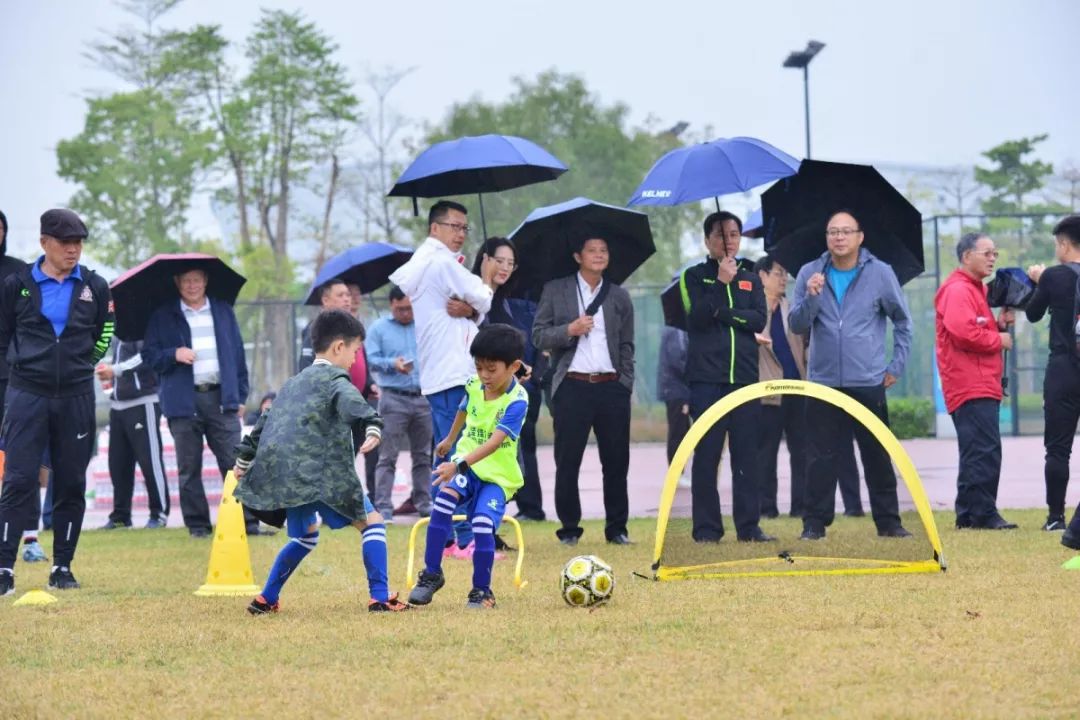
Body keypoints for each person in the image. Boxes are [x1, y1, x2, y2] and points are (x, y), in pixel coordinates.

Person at [233, 309, 408, 613]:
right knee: (373, 523)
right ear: (339, 347)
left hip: (291, 478)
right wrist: (372, 425)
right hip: (324, 476)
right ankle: (379, 597)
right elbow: (353, 403)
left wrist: (244, 460)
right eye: (355, 351)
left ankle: (266, 598)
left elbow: (264, 422)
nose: (355, 359)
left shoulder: (292, 383)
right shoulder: (335, 379)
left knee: (306, 536)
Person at [0, 209, 114, 594]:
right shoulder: (16, 284)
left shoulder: (95, 286)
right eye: (65, 243)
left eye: (78, 243)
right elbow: (4, 337)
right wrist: (23, 372)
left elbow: (104, 333)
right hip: (26, 394)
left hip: (76, 395)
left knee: (70, 482)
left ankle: (62, 567)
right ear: (44, 243)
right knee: (18, 480)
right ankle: (4, 569)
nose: (73, 250)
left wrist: (80, 365)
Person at [789, 209, 913, 540]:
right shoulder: (809, 273)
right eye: (833, 232)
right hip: (823, 382)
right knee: (819, 457)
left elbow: (903, 322)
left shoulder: (881, 273)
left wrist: (896, 365)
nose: (839, 237)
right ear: (826, 238)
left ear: (860, 237)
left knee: (877, 454)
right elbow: (796, 324)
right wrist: (811, 297)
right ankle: (814, 523)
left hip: (868, 380)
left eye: (846, 231)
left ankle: (889, 522)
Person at [389, 200, 495, 555]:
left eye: (465, 228)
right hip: (452, 374)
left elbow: (470, 312)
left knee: (446, 453)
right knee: (460, 452)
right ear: (435, 228)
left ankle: (446, 535)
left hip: (443, 373)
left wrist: (470, 309)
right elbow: (483, 297)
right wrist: (485, 283)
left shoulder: (426, 263)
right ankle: (463, 538)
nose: (460, 234)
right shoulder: (440, 262)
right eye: (454, 226)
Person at [407, 323, 529, 609]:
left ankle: (482, 591)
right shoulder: (475, 385)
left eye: (491, 369)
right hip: (467, 467)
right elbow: (463, 408)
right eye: (479, 367)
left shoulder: (517, 401)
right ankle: (432, 574)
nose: (484, 375)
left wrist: (457, 465)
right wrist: (450, 439)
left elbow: (495, 443)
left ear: (513, 367)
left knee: (483, 525)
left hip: (496, 477)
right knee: (443, 504)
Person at [533, 234, 635, 546]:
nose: (599, 255)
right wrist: (570, 330)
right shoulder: (556, 290)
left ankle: (617, 529)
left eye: (604, 250)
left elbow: (627, 344)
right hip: (572, 385)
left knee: (616, 462)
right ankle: (569, 529)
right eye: (592, 250)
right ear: (578, 256)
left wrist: (625, 382)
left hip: (612, 387)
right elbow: (538, 336)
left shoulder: (618, 295)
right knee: (568, 461)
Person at [142, 266, 255, 538]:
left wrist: (240, 395)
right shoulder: (163, 315)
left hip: (221, 398)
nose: (192, 285)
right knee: (188, 467)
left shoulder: (223, 311)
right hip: (182, 400)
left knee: (235, 462)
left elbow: (238, 355)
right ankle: (198, 525)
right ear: (177, 282)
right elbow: (150, 356)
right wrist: (173, 354)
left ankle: (248, 522)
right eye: (186, 281)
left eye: (196, 280)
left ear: (205, 281)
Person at [681, 212, 772, 543]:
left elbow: (758, 320)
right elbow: (697, 318)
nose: (728, 241)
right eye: (720, 235)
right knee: (707, 456)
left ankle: (749, 527)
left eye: (733, 234)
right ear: (708, 241)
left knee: (747, 456)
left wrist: (725, 313)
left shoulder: (751, 278)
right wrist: (720, 283)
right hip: (707, 381)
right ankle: (707, 529)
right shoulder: (694, 276)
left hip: (744, 380)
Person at [934, 233, 1017, 530]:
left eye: (995, 253)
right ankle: (983, 514)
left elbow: (974, 326)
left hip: (979, 381)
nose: (992, 258)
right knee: (984, 449)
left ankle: (968, 514)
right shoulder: (958, 290)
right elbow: (964, 333)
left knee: (975, 449)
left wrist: (997, 324)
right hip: (969, 382)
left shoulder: (975, 289)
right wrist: (999, 339)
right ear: (967, 256)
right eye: (987, 253)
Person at [471, 237, 547, 521]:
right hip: (482, 391)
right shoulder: (473, 298)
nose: (505, 267)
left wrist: (531, 373)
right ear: (485, 260)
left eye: (510, 263)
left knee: (522, 445)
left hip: (518, 388)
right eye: (499, 261)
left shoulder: (513, 303)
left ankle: (531, 507)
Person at [1025, 214, 1080, 543]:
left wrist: (1039, 280)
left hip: (1063, 370)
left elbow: (1033, 313)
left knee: (1058, 448)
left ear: (1063, 244)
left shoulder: (1053, 276)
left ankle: (1056, 517)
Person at [366, 285, 432, 520]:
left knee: (423, 455)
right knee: (387, 456)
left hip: (423, 398)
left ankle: (424, 503)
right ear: (391, 305)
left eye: (409, 308)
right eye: (400, 309)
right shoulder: (378, 328)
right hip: (393, 398)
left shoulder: (424, 326)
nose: (406, 313)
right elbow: (370, 359)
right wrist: (392, 364)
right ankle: (383, 507)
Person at [753, 255, 808, 518]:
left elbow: (805, 343)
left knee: (802, 450)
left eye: (785, 274)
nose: (783, 278)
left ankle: (801, 507)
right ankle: (767, 508)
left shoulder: (792, 309)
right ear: (762, 276)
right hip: (768, 391)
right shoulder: (754, 309)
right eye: (778, 273)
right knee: (766, 452)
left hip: (797, 388)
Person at [96, 339, 171, 529]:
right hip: (118, 405)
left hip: (143, 402)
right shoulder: (117, 330)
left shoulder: (141, 327)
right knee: (118, 464)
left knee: (150, 461)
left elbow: (145, 356)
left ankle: (159, 513)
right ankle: (121, 516)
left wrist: (115, 370)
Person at [656, 324, 691, 479]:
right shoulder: (675, 331)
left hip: (679, 389)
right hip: (675, 390)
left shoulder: (679, 330)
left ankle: (679, 472)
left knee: (683, 430)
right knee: (678, 432)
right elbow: (677, 360)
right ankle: (676, 473)